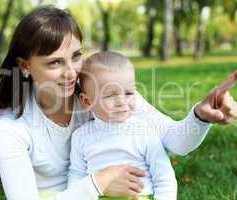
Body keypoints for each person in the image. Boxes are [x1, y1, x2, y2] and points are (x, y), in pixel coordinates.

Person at [0, 6, 237, 200]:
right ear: (25, 67)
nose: (72, 71)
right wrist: (99, 183)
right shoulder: (12, 128)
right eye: (55, 62)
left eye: (76, 55)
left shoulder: (105, 95)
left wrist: (200, 116)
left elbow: (175, 141)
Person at [68, 51, 177, 200]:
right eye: (110, 95)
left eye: (129, 93)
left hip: (140, 196)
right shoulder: (81, 136)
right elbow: (77, 175)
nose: (121, 101)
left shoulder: (143, 131)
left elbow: (164, 177)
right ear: (87, 101)